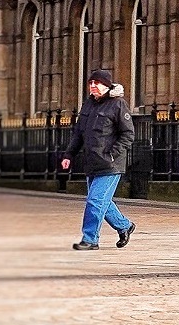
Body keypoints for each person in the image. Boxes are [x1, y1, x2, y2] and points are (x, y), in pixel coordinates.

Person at [59, 69, 136, 252]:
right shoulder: (88, 105)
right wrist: (69, 155)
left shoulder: (118, 105)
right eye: (91, 83)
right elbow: (78, 133)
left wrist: (112, 154)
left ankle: (90, 238)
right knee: (102, 201)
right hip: (92, 162)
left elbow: (128, 134)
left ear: (107, 85)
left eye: (97, 83)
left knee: (95, 201)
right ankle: (124, 226)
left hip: (110, 164)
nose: (93, 86)